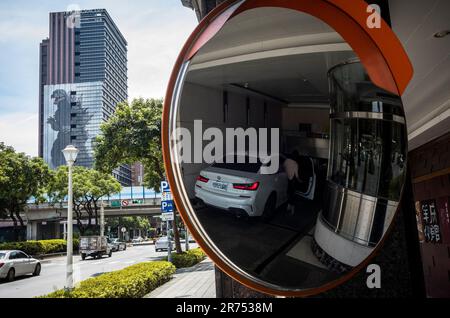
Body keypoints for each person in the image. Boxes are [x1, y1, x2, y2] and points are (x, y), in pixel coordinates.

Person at [283, 150, 301, 215]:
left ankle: (288, 206)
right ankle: (291, 209)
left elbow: (283, 168)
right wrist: (300, 181)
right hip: (292, 181)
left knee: (287, 193)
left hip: (284, 179)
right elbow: (296, 175)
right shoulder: (296, 164)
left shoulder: (286, 161)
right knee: (292, 194)